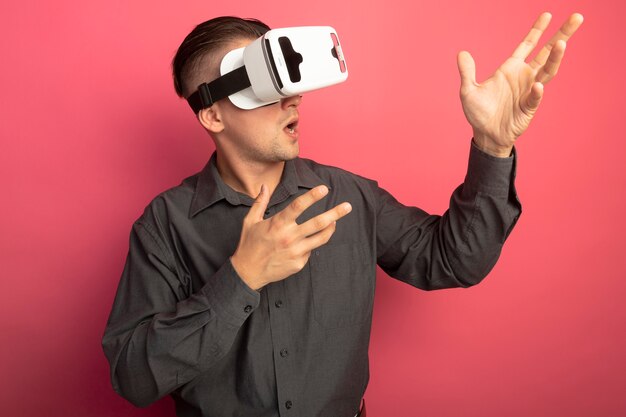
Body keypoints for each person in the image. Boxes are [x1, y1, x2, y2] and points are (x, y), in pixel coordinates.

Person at [102, 13, 583, 417]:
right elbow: (134, 377)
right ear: (212, 114)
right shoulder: (165, 224)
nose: (294, 98)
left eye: (291, 82)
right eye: (268, 87)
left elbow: (455, 261)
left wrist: (493, 147)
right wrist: (241, 277)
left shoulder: (349, 196)